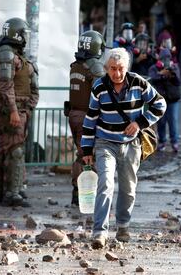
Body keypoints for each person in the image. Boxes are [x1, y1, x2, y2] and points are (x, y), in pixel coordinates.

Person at [81, 47, 166, 249]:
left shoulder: (138, 82)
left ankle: (123, 225)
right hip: (105, 143)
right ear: (106, 68)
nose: (117, 73)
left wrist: (140, 123)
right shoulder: (99, 86)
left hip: (131, 144)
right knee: (105, 184)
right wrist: (86, 150)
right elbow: (90, 118)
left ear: (126, 67)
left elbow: (160, 104)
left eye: (120, 68)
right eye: (112, 69)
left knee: (128, 189)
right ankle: (99, 232)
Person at [0, 17, 39, 207]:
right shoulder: (7, 55)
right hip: (10, 111)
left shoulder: (14, 55)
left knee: (5, 150)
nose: (26, 37)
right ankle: (12, 193)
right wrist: (14, 111)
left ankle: (1, 192)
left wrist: (27, 109)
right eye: (23, 34)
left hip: (18, 110)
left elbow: (30, 89)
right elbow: (5, 86)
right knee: (14, 151)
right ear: (17, 34)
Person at [68, 30, 105, 206]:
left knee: (81, 155)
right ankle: (86, 195)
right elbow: (102, 94)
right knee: (89, 156)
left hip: (74, 115)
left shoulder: (76, 66)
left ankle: (78, 192)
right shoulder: (94, 67)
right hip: (87, 118)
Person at [148, 48, 181, 152]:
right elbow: (151, 79)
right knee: (161, 121)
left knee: (173, 121)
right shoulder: (154, 68)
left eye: (168, 58)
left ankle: (174, 141)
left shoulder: (174, 67)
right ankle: (162, 141)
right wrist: (161, 74)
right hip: (159, 99)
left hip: (173, 98)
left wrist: (172, 74)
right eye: (163, 58)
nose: (166, 60)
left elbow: (178, 82)